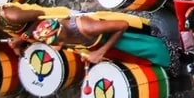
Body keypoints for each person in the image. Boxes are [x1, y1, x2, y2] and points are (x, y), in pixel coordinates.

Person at [27, 12, 170, 67]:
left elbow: (122, 25)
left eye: (55, 41)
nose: (56, 46)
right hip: (111, 47)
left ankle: (174, 57)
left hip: (123, 38)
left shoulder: (87, 27)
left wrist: (100, 51)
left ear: (61, 32)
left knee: (155, 51)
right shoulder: (63, 35)